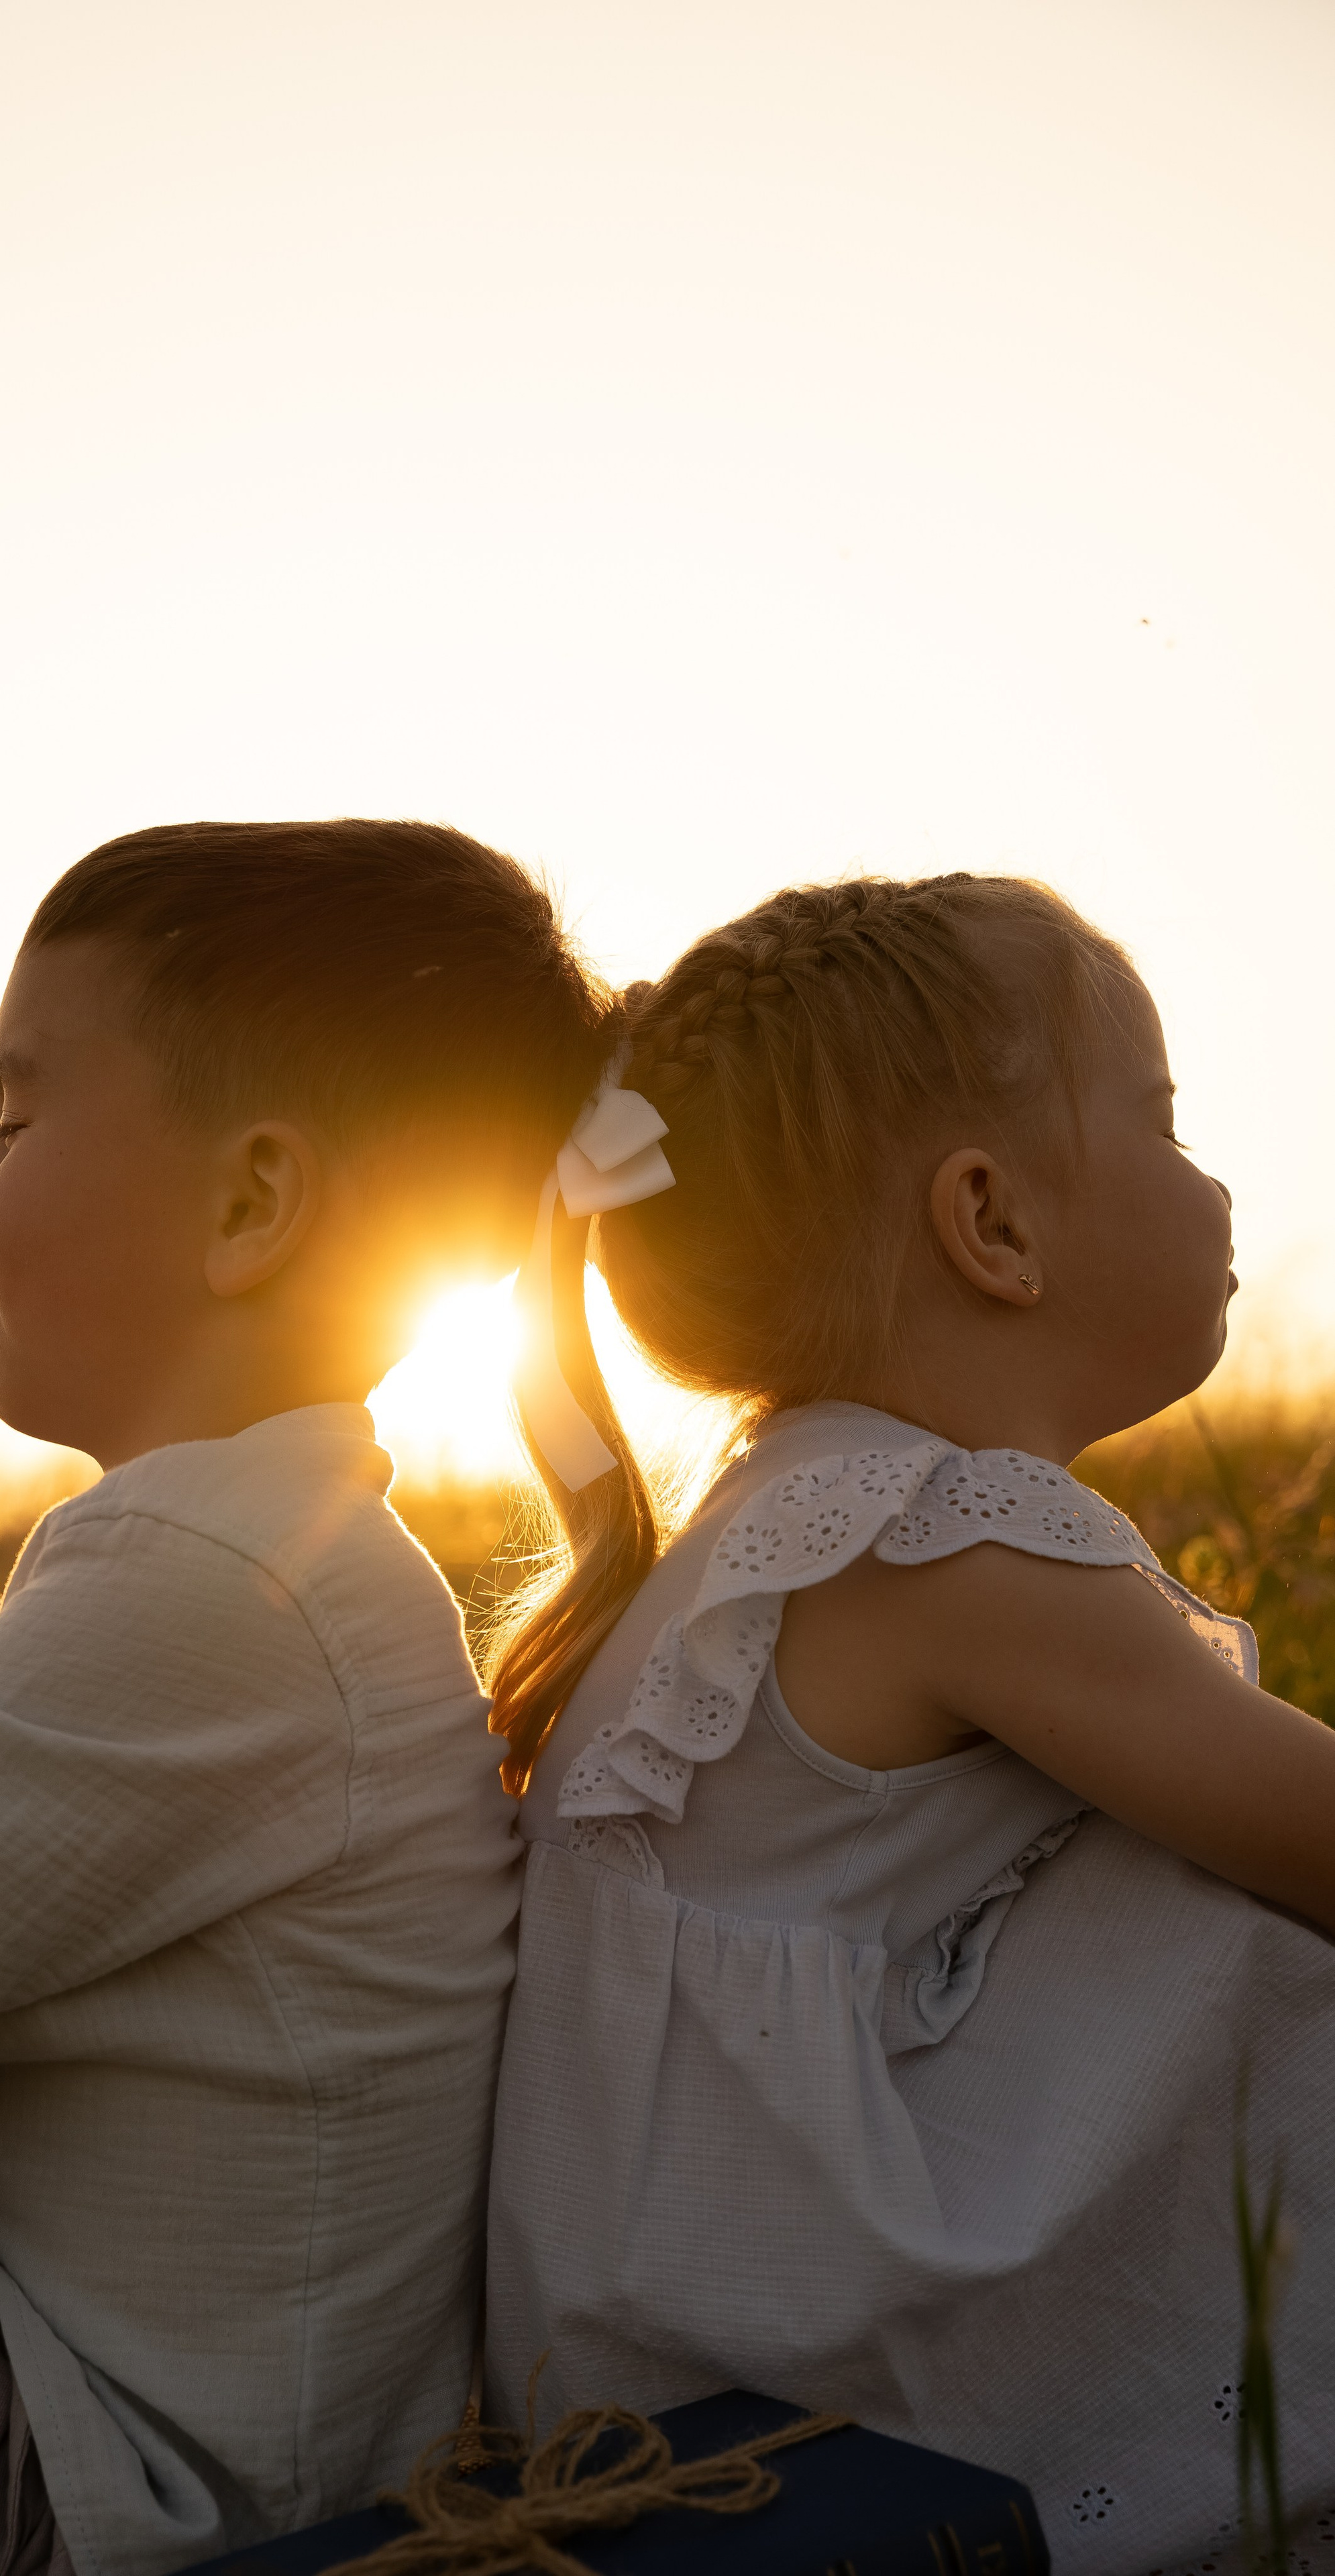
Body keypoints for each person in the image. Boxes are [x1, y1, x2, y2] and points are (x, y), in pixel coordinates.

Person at [0, 819, 619, 2576]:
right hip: (83, 2458)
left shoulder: (226, 1592)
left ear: (251, 1203)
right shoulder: (271, 1559)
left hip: (84, 2542)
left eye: (13, 1112)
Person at [483, 873, 1335, 2576]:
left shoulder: (783, 1527)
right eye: (1161, 1119)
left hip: (695, 2378)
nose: (1210, 1174)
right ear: (990, 1225)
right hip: (854, 2393)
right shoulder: (932, 1539)